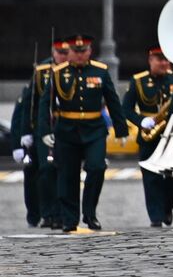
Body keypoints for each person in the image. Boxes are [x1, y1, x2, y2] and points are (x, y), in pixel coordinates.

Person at [37, 34, 127, 232]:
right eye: (75, 51)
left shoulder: (100, 71)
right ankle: (70, 218)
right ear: (69, 52)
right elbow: (45, 104)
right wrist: (45, 130)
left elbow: (112, 100)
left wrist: (121, 130)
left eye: (83, 51)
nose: (79, 55)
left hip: (94, 129)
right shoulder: (58, 73)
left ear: (90, 51)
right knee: (67, 175)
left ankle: (90, 213)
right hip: (67, 130)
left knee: (97, 167)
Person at [11, 34, 69, 228]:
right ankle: (48, 213)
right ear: (53, 52)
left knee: (65, 171)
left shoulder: (75, 70)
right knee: (46, 170)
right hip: (44, 129)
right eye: (59, 52)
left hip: (67, 128)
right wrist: (25, 133)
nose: (63, 56)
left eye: (66, 52)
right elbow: (28, 105)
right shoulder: (42, 71)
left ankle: (63, 212)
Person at [123, 45, 173, 227]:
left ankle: (167, 207)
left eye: (166, 59)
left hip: (172, 134)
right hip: (149, 135)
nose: (163, 63)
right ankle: (156, 217)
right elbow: (126, 109)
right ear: (150, 60)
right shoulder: (138, 81)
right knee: (151, 178)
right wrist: (141, 121)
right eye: (159, 59)